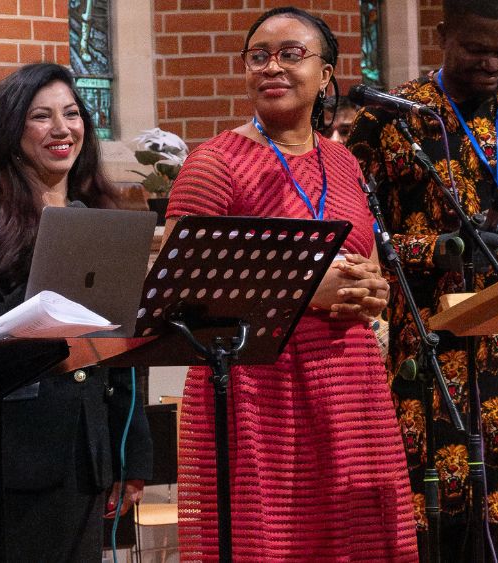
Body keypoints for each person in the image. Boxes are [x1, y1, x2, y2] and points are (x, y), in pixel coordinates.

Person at [165, 7, 417, 561]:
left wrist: (376, 292)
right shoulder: (214, 164)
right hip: (260, 391)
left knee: (359, 545)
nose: (272, 67)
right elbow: (181, 290)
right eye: (259, 56)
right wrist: (305, 288)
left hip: (350, 386)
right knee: (275, 545)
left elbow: (367, 262)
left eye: (291, 54)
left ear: (327, 74)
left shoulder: (344, 161)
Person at [0, 62, 153, 562]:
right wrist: (47, 285)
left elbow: (123, 349)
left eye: (71, 114)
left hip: (83, 454)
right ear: (11, 130)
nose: (61, 129)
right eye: (41, 117)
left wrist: (130, 453)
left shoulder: (102, 219)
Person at [346, 0, 498, 558]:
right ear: (442, 36)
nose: (492, 63)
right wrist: (437, 250)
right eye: (477, 50)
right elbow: (353, 240)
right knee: (442, 527)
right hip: (434, 357)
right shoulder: (391, 118)